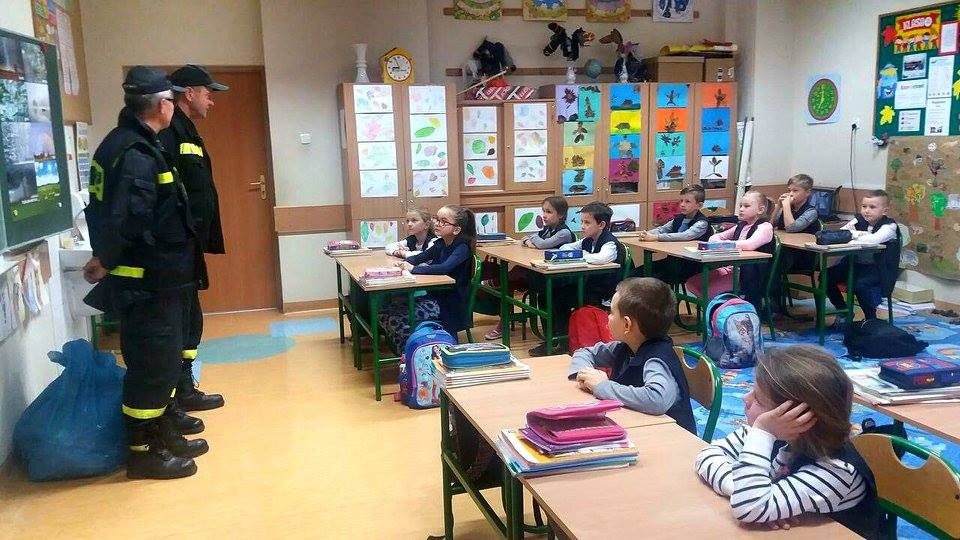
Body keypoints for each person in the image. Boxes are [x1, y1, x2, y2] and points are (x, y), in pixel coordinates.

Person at [82, 66, 206, 479]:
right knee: (152, 366)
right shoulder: (133, 152)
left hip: (161, 278)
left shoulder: (136, 143)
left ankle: (162, 434)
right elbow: (129, 218)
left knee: (163, 361)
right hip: (147, 281)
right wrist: (106, 259)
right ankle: (143, 452)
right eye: (171, 100)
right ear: (161, 105)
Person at [695, 345, 882, 537]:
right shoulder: (779, 434)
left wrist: (763, 433)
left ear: (797, 418)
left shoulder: (837, 471)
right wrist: (740, 490)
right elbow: (708, 454)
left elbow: (749, 508)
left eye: (758, 400)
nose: (745, 398)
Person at [158, 64, 229, 415]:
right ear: (189, 93)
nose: (211, 101)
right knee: (178, 321)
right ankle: (174, 396)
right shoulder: (170, 132)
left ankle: (184, 388)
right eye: (207, 93)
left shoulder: (187, 129)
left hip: (188, 244)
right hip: (175, 245)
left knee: (190, 317)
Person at [568, 278, 695, 434]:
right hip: (637, 427)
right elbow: (585, 352)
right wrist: (584, 375)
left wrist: (602, 386)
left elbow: (657, 399)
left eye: (611, 312)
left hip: (669, 437)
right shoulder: (626, 346)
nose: (607, 316)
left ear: (627, 325)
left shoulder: (656, 360)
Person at [530, 201, 625, 356]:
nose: (582, 226)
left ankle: (562, 341)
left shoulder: (610, 242)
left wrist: (580, 255)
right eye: (582, 222)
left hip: (603, 293)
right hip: (587, 286)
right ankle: (553, 339)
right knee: (546, 294)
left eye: (587, 223)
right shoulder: (588, 240)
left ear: (601, 225)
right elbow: (566, 247)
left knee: (559, 299)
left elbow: (602, 258)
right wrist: (581, 253)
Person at [380, 205, 475, 351]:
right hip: (436, 296)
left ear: (456, 230)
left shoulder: (462, 248)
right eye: (436, 219)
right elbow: (420, 257)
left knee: (395, 318)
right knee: (384, 311)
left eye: (443, 221)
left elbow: (444, 268)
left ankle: (412, 351)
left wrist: (413, 269)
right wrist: (403, 263)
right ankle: (409, 350)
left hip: (450, 304)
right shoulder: (440, 243)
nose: (437, 223)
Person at [483, 196, 574, 340]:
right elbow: (526, 238)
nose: (544, 215)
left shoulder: (564, 233)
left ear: (561, 215)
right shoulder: (547, 229)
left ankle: (497, 284)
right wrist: (532, 242)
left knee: (516, 276)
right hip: (541, 270)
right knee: (515, 274)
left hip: (556, 278)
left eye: (549, 212)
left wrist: (535, 241)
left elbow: (542, 244)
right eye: (543, 211)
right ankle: (503, 318)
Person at [685, 191, 774, 311]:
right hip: (733, 269)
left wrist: (724, 245)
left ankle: (720, 310)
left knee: (707, 290)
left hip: (750, 276)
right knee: (692, 283)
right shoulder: (741, 225)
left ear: (761, 210)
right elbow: (714, 237)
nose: (741, 209)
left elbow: (750, 245)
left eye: (746, 206)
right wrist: (721, 243)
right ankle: (716, 309)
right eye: (741, 206)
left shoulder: (765, 227)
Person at [825, 190, 901, 325]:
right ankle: (843, 311)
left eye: (872, 207)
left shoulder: (889, 226)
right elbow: (842, 234)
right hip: (855, 265)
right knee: (826, 276)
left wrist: (854, 235)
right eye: (864, 206)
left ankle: (870, 319)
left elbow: (873, 240)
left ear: (884, 211)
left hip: (878, 269)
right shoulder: (859, 219)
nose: (866, 210)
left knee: (860, 285)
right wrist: (854, 235)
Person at [632, 184, 712, 285]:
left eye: (687, 201)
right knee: (636, 273)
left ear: (699, 205)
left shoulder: (702, 222)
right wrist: (646, 234)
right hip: (673, 261)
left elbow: (685, 236)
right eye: (681, 201)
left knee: (649, 281)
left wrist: (656, 237)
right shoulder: (679, 218)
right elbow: (663, 229)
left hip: (691, 266)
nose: (682, 204)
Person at [771, 174, 821, 315]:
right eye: (789, 190)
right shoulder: (787, 208)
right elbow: (770, 225)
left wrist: (786, 206)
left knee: (774, 264)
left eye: (795, 191)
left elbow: (791, 228)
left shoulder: (811, 211)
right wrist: (778, 207)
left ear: (808, 192)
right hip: (784, 251)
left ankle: (775, 306)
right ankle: (771, 303)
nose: (791, 194)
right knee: (767, 260)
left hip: (804, 256)